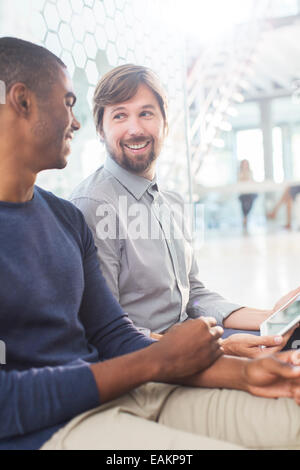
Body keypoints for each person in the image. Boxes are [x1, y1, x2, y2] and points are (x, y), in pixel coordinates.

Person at [1, 37, 300, 451]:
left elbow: (113, 333)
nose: (75, 122)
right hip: (62, 422)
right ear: (22, 101)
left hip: (136, 385)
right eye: (68, 103)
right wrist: (188, 356)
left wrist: (247, 370)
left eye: (146, 113)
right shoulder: (88, 204)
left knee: (293, 420)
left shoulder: (64, 219)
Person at [70, 65, 298, 358]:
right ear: (101, 129)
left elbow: (194, 296)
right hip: (151, 358)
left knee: (288, 339)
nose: (135, 128)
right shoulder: (93, 205)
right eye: (119, 115)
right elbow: (105, 331)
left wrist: (268, 316)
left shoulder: (171, 202)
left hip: (192, 336)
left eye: (146, 113)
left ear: (165, 123)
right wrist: (220, 349)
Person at [238, 159, 258, 233]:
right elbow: (241, 181)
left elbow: (251, 181)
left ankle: (245, 219)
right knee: (244, 203)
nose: (245, 165)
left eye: (246, 164)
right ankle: (245, 219)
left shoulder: (250, 172)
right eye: (243, 164)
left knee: (249, 202)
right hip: (243, 194)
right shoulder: (239, 173)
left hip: (250, 193)